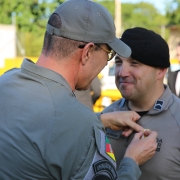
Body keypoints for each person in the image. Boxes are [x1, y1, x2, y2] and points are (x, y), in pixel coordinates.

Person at [0, 1, 157, 179]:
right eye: (109, 54)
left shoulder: (6, 80)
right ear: (88, 52)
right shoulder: (81, 124)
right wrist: (131, 161)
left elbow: (37, 128)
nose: (107, 63)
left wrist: (100, 120)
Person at [102, 27, 180, 180]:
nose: (122, 72)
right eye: (118, 62)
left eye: (135, 63)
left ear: (161, 71)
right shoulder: (107, 117)